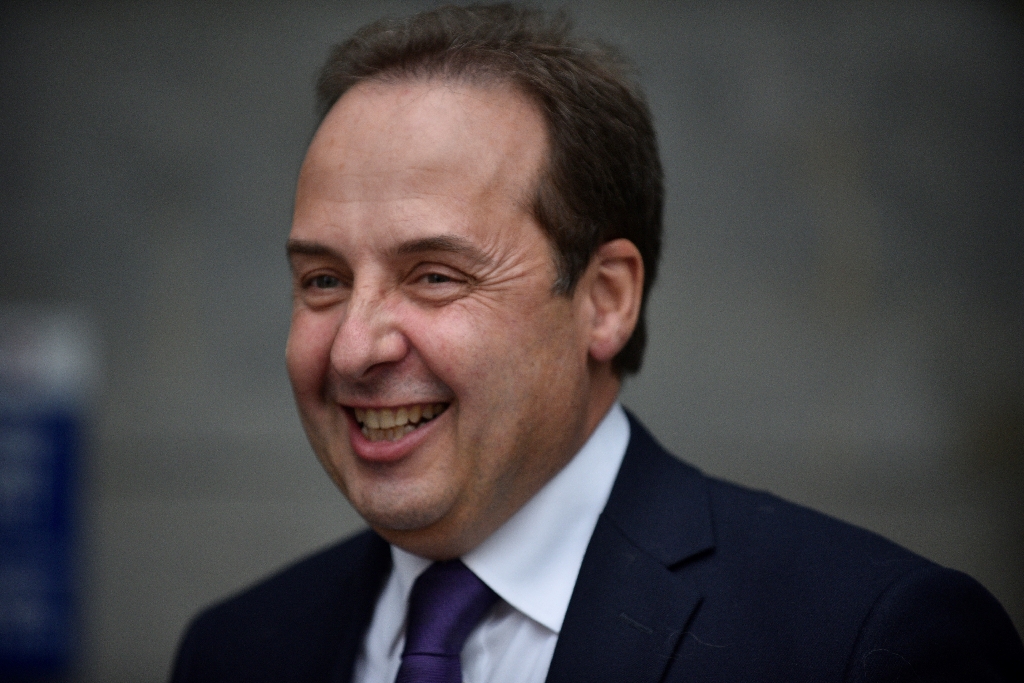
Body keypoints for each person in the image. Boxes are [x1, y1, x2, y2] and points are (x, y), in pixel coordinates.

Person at [170, 4, 1023, 682]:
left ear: (605, 300)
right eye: (323, 280)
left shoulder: (863, 643)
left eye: (433, 274)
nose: (354, 348)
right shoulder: (234, 651)